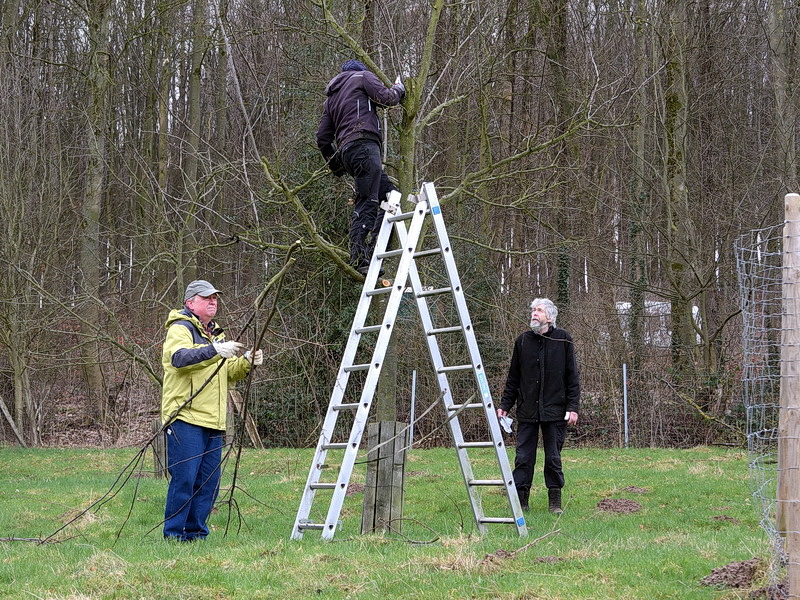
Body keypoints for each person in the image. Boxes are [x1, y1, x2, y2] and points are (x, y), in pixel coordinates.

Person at [160, 279, 263, 541]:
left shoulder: (215, 333)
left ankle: (196, 535)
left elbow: (226, 374)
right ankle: (174, 536)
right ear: (190, 302)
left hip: (214, 420)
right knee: (184, 480)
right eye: (206, 298)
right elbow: (179, 359)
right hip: (186, 416)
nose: (213, 302)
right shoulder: (180, 328)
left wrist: (246, 362)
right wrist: (214, 350)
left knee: (208, 484)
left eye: (215, 298)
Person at [316, 59, 405, 275]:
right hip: (364, 145)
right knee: (368, 201)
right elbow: (386, 98)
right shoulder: (362, 77)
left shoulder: (332, 99)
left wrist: (336, 166)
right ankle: (359, 258)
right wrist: (399, 89)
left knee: (390, 196)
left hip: (349, 152)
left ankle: (374, 252)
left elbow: (322, 138)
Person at [497, 298, 580, 514]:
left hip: (556, 411)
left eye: (539, 310)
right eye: (533, 310)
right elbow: (513, 378)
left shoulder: (563, 339)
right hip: (527, 410)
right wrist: (505, 405)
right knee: (523, 457)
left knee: (553, 457)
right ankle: (522, 501)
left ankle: (555, 502)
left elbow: (572, 377)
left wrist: (573, 408)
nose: (534, 313)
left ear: (550, 317)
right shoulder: (522, 341)